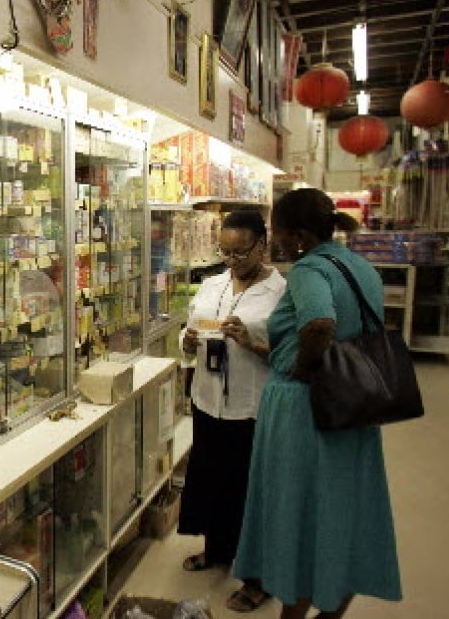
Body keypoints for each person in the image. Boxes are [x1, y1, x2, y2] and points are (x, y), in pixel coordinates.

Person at [233, 189, 402, 619]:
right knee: (342, 514)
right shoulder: (360, 266)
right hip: (356, 403)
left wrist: (302, 369)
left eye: (278, 232)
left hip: (307, 410)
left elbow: (320, 325)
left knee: (298, 516)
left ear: (299, 235)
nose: (274, 241)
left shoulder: (308, 270)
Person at [178, 210, 284, 613]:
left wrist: (252, 342)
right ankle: (217, 550)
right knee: (211, 480)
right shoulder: (211, 285)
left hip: (251, 406)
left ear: (262, 244)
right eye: (225, 252)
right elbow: (190, 339)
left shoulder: (280, 293)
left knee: (249, 491)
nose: (232, 260)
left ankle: (258, 579)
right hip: (208, 400)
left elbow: (290, 357)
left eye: (241, 252)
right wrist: (188, 343)